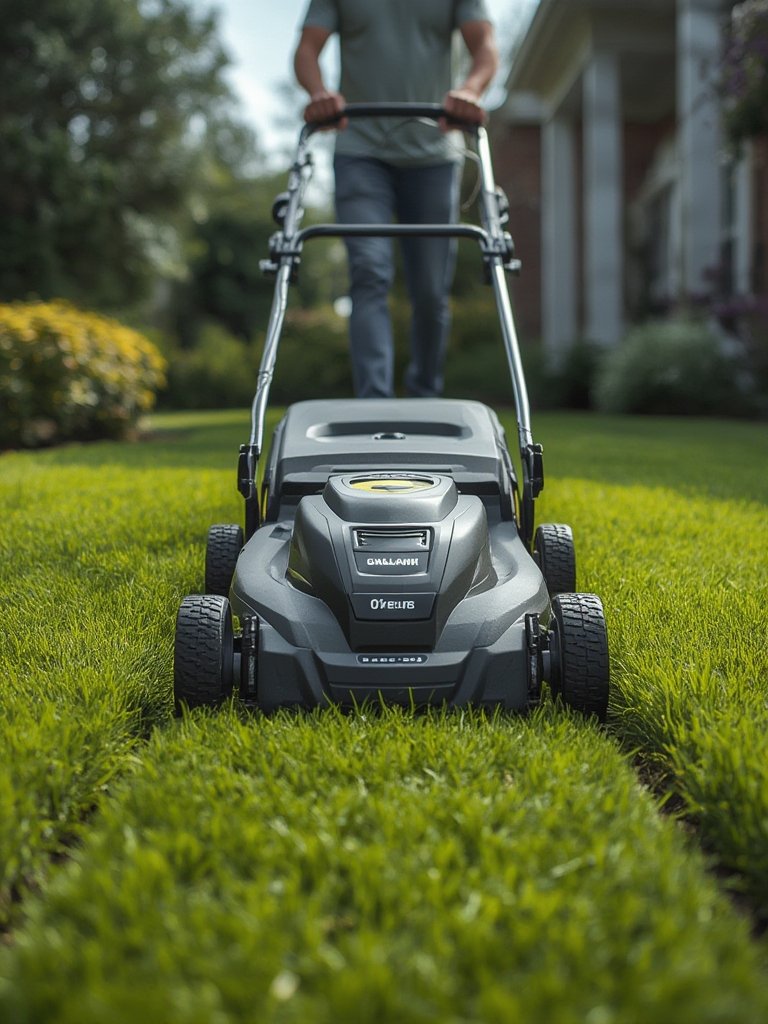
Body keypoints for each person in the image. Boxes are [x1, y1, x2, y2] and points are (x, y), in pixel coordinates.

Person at [294, 0, 498, 398]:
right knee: (369, 271)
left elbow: (485, 45)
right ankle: (373, 401)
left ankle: (425, 396)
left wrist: (470, 90)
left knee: (430, 287)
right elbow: (306, 49)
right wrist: (319, 93)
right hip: (360, 151)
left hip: (435, 155)